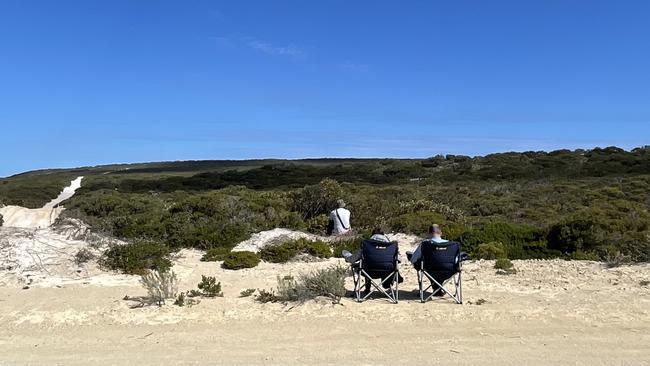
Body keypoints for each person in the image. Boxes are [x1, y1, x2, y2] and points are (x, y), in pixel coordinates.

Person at [407, 223, 449, 296]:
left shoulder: (425, 244)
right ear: (441, 233)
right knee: (438, 268)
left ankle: (436, 288)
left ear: (429, 233)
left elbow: (414, 259)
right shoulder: (450, 244)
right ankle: (438, 289)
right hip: (449, 270)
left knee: (425, 265)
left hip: (430, 269)